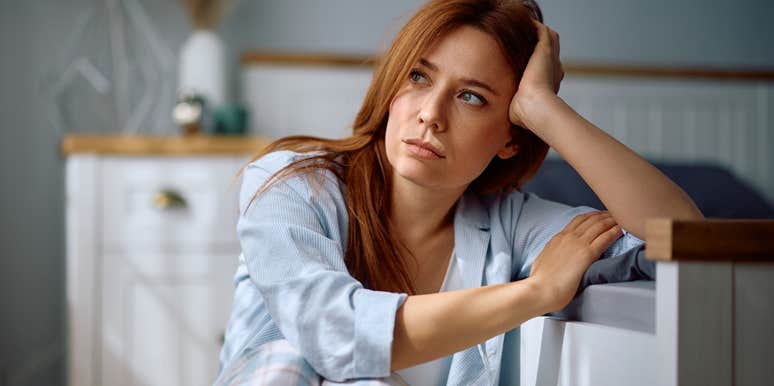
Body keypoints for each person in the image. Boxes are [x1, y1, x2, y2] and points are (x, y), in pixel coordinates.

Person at [214, 0, 703, 385]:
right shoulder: (290, 186)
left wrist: (543, 107)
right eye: (418, 77)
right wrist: (535, 293)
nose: (431, 113)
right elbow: (332, 334)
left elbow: (684, 239)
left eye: (471, 96)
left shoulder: (513, 226)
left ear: (512, 135)